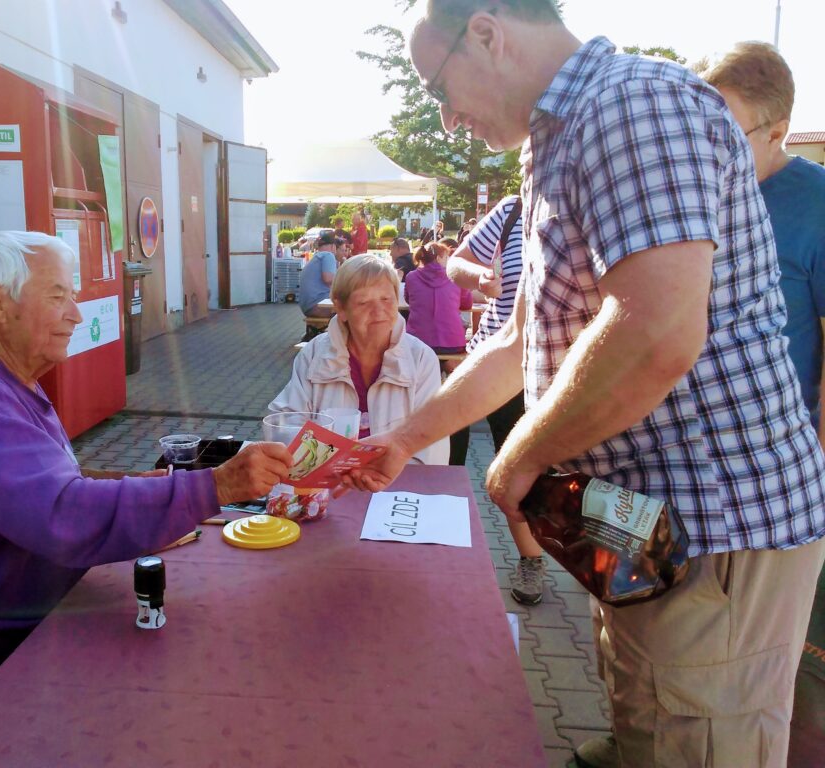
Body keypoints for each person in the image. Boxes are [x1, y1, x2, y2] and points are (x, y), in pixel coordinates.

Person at [345, 3, 825, 767]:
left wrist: (520, 458)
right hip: (642, 528)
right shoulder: (559, 138)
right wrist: (404, 438)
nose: (445, 118)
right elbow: (519, 339)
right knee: (651, 729)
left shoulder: (631, 105)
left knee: (691, 743)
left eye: (438, 87)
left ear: (487, 32)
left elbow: (657, 330)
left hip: (714, 529)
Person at [0, 230, 292, 729]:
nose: (75, 314)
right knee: (146, 692)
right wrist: (216, 487)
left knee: (166, 637)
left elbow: (55, 484)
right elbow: (62, 516)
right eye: (58, 297)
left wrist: (143, 488)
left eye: (72, 297)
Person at [703, 42, 825, 767]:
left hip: (782, 480)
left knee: (769, 669)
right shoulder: (709, 191)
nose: (709, 149)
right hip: (699, 469)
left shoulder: (814, 205)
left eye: (728, 132)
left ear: (778, 130)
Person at [447, 196, 548, 604]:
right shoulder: (512, 209)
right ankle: (440, 540)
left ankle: (532, 558)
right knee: (449, 448)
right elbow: (456, 262)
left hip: (545, 368)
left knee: (521, 466)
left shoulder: (598, 200)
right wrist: (479, 275)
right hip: (489, 354)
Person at [270, 254, 448, 465]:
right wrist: (321, 463)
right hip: (327, 482)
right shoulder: (315, 354)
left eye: (386, 299)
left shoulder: (420, 358)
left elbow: (430, 440)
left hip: (397, 485)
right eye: (364, 302)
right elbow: (286, 420)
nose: (379, 311)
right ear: (341, 308)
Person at [404, 241, 473, 368]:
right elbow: (467, 303)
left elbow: (408, 300)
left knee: (423, 354)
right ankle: (445, 375)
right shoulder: (455, 277)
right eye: (447, 257)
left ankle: (433, 375)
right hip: (453, 342)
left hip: (418, 341)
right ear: (439, 257)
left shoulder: (411, 277)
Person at [297, 231, 339, 319]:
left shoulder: (316, 257)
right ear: (333, 246)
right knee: (352, 310)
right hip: (318, 306)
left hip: (308, 306)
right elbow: (328, 279)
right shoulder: (328, 255)